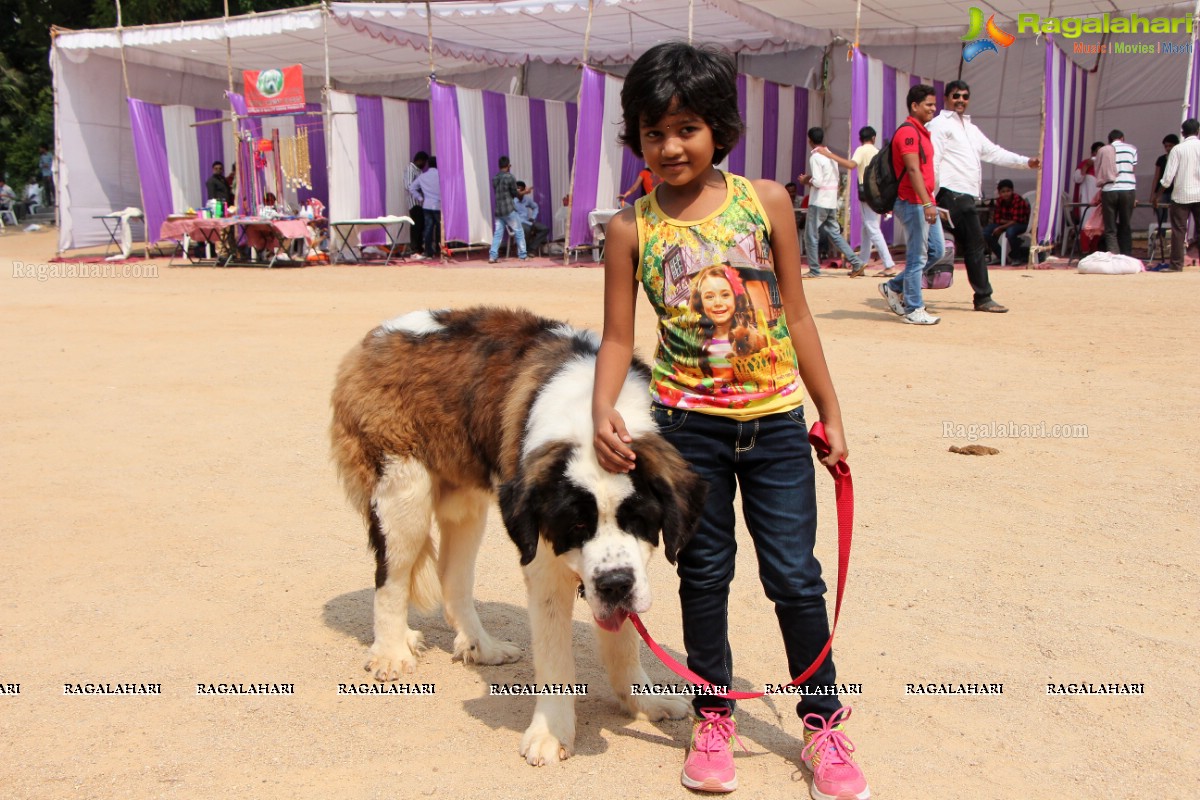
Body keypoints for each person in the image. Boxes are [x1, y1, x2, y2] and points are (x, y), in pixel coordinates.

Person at [591, 42, 868, 800]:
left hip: (776, 424)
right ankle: (711, 714)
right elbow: (618, 338)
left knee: (794, 577)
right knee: (704, 575)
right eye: (653, 132)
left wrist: (830, 412)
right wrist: (600, 409)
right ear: (635, 137)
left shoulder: (767, 201)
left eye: (686, 128)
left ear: (718, 127)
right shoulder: (630, 229)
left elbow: (800, 317)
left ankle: (823, 725)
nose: (670, 146)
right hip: (687, 433)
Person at [927, 80, 1039, 313]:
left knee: (948, 247)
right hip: (951, 193)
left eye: (965, 96)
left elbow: (993, 152)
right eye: (956, 96)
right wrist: (931, 196)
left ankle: (900, 288)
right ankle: (983, 297)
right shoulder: (939, 125)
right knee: (973, 245)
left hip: (963, 195)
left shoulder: (970, 129)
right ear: (946, 98)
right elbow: (933, 160)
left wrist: (1025, 163)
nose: (961, 100)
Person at [878, 84, 945, 325]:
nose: (933, 109)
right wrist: (927, 202)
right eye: (929, 104)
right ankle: (914, 309)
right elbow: (913, 169)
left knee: (937, 251)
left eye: (934, 105)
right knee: (917, 257)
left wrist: (930, 201)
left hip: (925, 201)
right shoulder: (908, 132)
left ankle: (893, 286)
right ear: (914, 106)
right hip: (914, 202)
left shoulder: (922, 132)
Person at [797, 127, 866, 278]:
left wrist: (806, 180)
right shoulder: (830, 156)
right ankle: (856, 262)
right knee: (835, 235)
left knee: (810, 235)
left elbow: (818, 181)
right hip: (831, 201)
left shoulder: (815, 157)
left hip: (819, 201)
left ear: (809, 141)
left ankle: (814, 269)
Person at [850, 126, 897, 276]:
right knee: (867, 228)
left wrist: (832, 156)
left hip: (867, 193)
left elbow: (852, 164)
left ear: (860, 139)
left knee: (872, 228)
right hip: (878, 193)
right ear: (873, 138)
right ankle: (862, 263)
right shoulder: (878, 152)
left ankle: (889, 264)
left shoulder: (861, 150)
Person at [1158, 117, 1200, 272]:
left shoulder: (1177, 150)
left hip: (1181, 196)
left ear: (1182, 133)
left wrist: (1157, 196)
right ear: (1198, 131)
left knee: (1178, 231)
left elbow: (1167, 178)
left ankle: (1176, 265)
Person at [1094, 129, 1138, 256]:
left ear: (1109, 140)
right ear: (1122, 138)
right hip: (1128, 189)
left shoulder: (1103, 150)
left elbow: (1098, 170)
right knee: (1125, 225)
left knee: (1110, 228)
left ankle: (1113, 255)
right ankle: (1127, 255)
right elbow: (1132, 169)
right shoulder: (1132, 149)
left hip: (1110, 190)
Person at [488, 155, 531, 263]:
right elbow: (514, 193)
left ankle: (493, 256)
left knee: (498, 234)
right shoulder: (510, 177)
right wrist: (525, 192)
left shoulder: (495, 178)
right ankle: (523, 255)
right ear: (509, 165)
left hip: (498, 211)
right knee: (519, 231)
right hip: (509, 210)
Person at [982, 179, 1030, 263]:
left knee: (1010, 232)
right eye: (1003, 192)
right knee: (985, 232)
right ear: (999, 193)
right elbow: (997, 219)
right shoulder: (1000, 201)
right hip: (1008, 224)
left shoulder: (1018, 200)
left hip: (1021, 224)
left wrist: (1001, 226)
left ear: (1012, 191)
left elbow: (1016, 220)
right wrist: (1007, 222)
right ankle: (1001, 256)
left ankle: (1016, 257)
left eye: (1008, 191)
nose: (1006, 194)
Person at [1151, 133, 1179, 254]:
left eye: (1170, 146)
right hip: (1161, 192)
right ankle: (1161, 242)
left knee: (1175, 217)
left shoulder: (1179, 157)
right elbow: (1156, 177)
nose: (1168, 148)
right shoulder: (1161, 159)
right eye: (1166, 146)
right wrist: (1153, 194)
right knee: (1161, 216)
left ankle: (1173, 242)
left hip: (1175, 191)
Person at [1073, 141, 1104, 249]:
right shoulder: (1085, 163)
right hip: (1087, 202)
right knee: (1087, 226)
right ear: (1092, 153)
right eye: (1097, 152)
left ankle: (1094, 251)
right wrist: (1086, 166)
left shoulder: (1105, 166)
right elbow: (1077, 178)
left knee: (1098, 227)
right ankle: (1085, 251)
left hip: (1101, 203)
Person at [404, 151, 429, 255]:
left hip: (420, 203)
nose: (424, 164)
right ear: (419, 160)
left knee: (421, 226)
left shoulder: (419, 171)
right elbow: (408, 186)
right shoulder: (411, 169)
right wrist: (420, 192)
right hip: (414, 202)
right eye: (424, 162)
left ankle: (419, 247)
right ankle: (414, 248)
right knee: (416, 226)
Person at [515, 180, 549, 256]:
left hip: (528, 221)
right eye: (517, 189)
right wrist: (530, 223)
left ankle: (532, 248)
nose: (519, 191)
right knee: (527, 229)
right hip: (517, 223)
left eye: (521, 189)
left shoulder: (527, 199)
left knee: (544, 229)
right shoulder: (512, 201)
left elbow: (535, 207)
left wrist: (533, 217)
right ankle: (523, 249)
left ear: (524, 190)